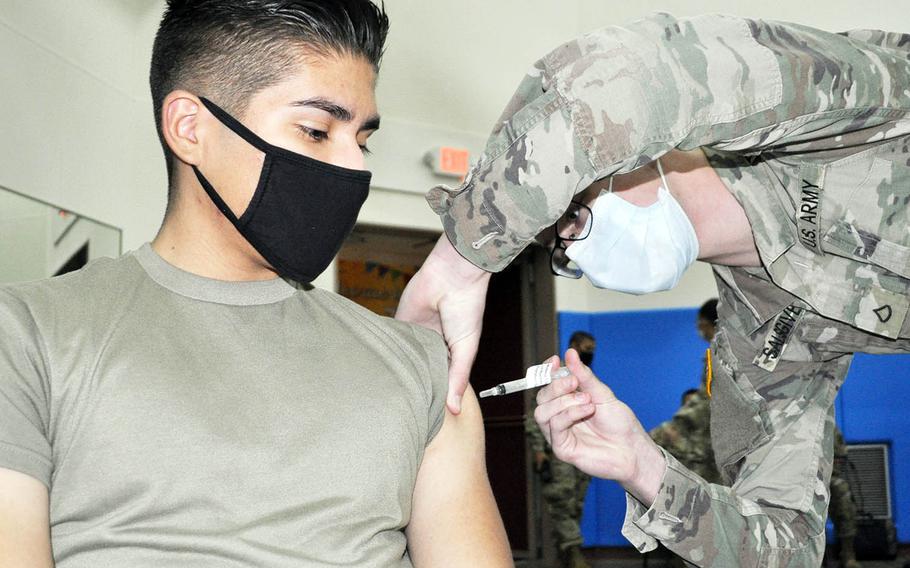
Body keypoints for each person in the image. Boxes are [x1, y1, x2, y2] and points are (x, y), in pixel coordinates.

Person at [0, 2, 512, 566]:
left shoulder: (419, 363)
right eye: (317, 131)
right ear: (190, 129)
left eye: (362, 141)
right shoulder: (27, 336)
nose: (354, 168)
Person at [396, 12, 910, 567]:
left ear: (636, 152)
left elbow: (623, 73)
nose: (576, 248)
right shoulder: (762, 346)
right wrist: (643, 466)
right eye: (560, 249)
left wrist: (461, 257)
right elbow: (785, 547)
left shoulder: (823, 131)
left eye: (570, 211)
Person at [526, 331, 595, 568]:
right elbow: (534, 414)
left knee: (576, 505)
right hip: (557, 453)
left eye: (592, 347)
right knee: (562, 503)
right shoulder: (556, 376)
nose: (591, 352)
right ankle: (575, 556)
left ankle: (564, 556)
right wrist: (539, 450)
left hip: (582, 453)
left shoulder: (587, 376)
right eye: (586, 347)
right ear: (574, 346)